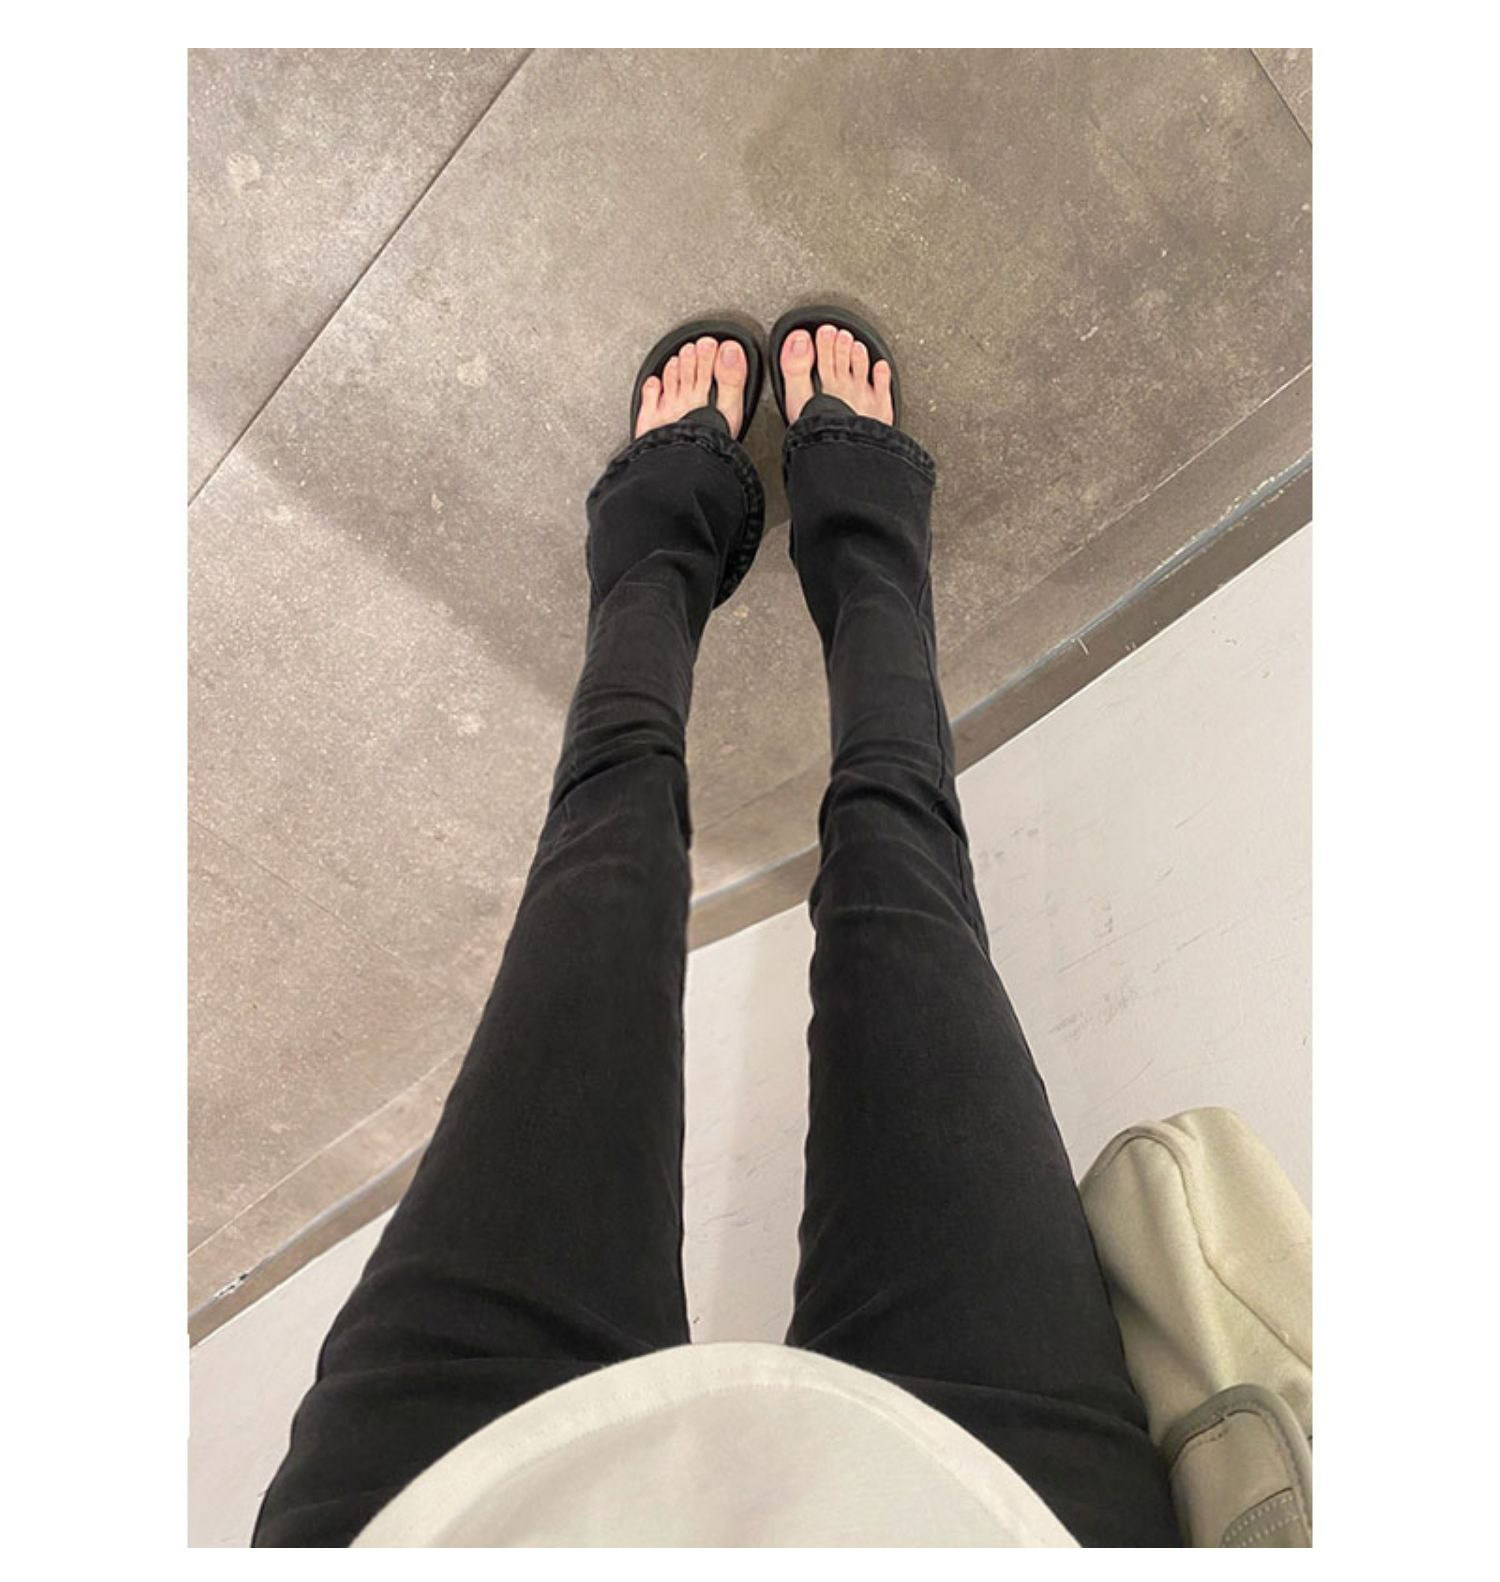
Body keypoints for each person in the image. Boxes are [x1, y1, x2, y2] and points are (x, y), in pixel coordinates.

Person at [251, 308, 1183, 1548]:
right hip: (1003, 1519)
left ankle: (656, 565)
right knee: (901, 847)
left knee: (603, 850)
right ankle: (865, 559)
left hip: (438, 1519)